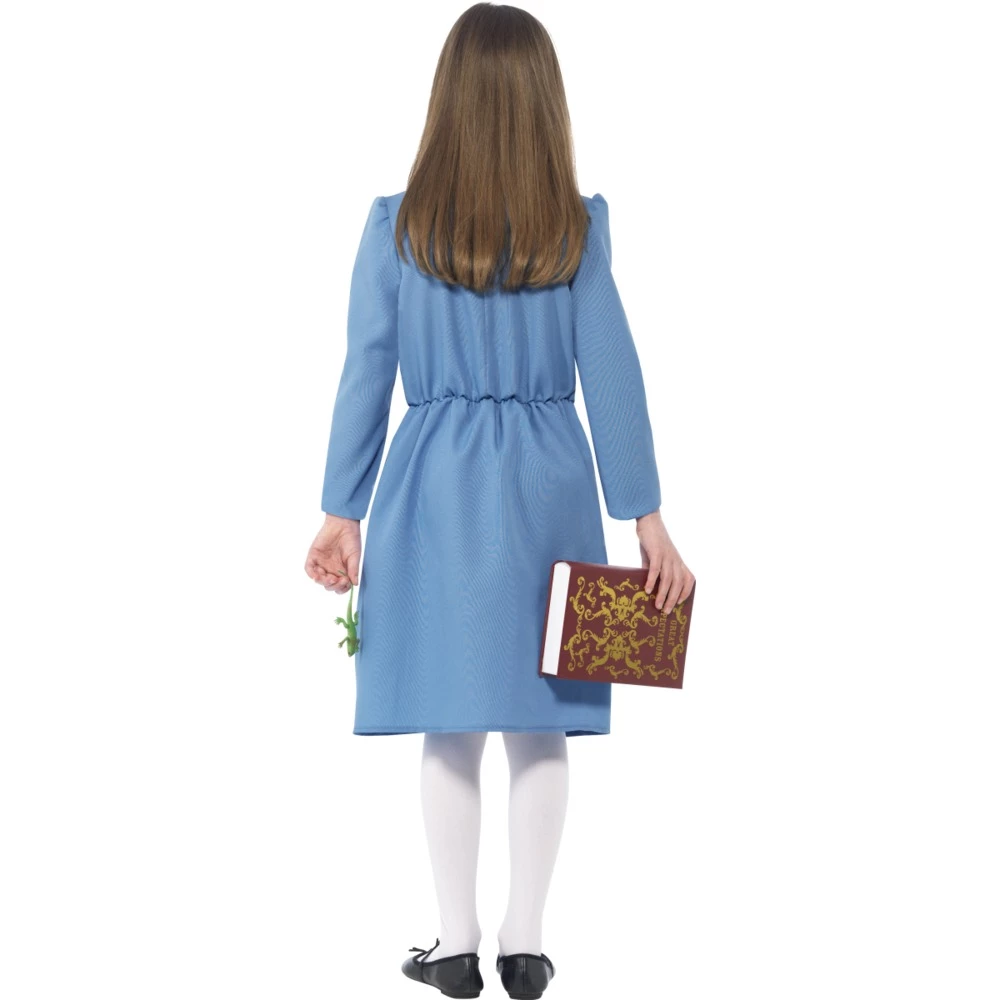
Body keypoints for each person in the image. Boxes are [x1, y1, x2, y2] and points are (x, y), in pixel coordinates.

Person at [304, 4, 695, 997]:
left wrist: (342, 509)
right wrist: (645, 517)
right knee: (541, 717)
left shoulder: (397, 228)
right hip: (549, 487)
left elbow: (366, 373)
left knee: (450, 718)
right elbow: (614, 375)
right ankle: (525, 942)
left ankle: (454, 943)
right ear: (543, 106)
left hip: (431, 489)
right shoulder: (577, 228)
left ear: (446, 102)